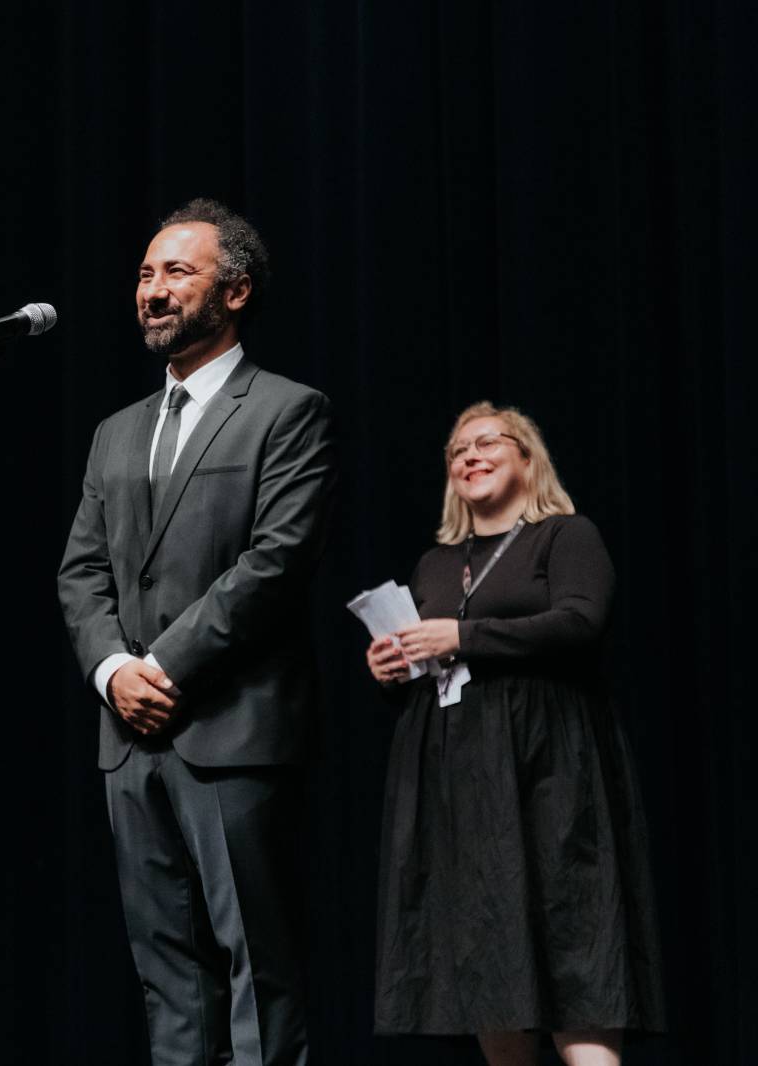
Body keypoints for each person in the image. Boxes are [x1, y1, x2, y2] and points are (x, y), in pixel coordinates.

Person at [58, 198, 336, 1066]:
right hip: (128, 736)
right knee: (166, 974)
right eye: (145, 274)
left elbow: (274, 562)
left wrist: (164, 666)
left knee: (258, 967)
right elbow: (82, 573)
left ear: (236, 291)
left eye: (176, 271)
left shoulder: (287, 410)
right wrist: (113, 671)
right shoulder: (115, 433)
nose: (152, 290)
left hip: (231, 726)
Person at [364, 402, 665, 1066]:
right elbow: (430, 668)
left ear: (528, 460)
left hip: (550, 767)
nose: (469, 455)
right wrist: (394, 670)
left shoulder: (565, 536)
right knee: (490, 959)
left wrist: (463, 635)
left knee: (574, 944)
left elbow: (581, 623)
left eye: (487, 443)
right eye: (457, 450)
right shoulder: (435, 564)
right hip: (461, 780)